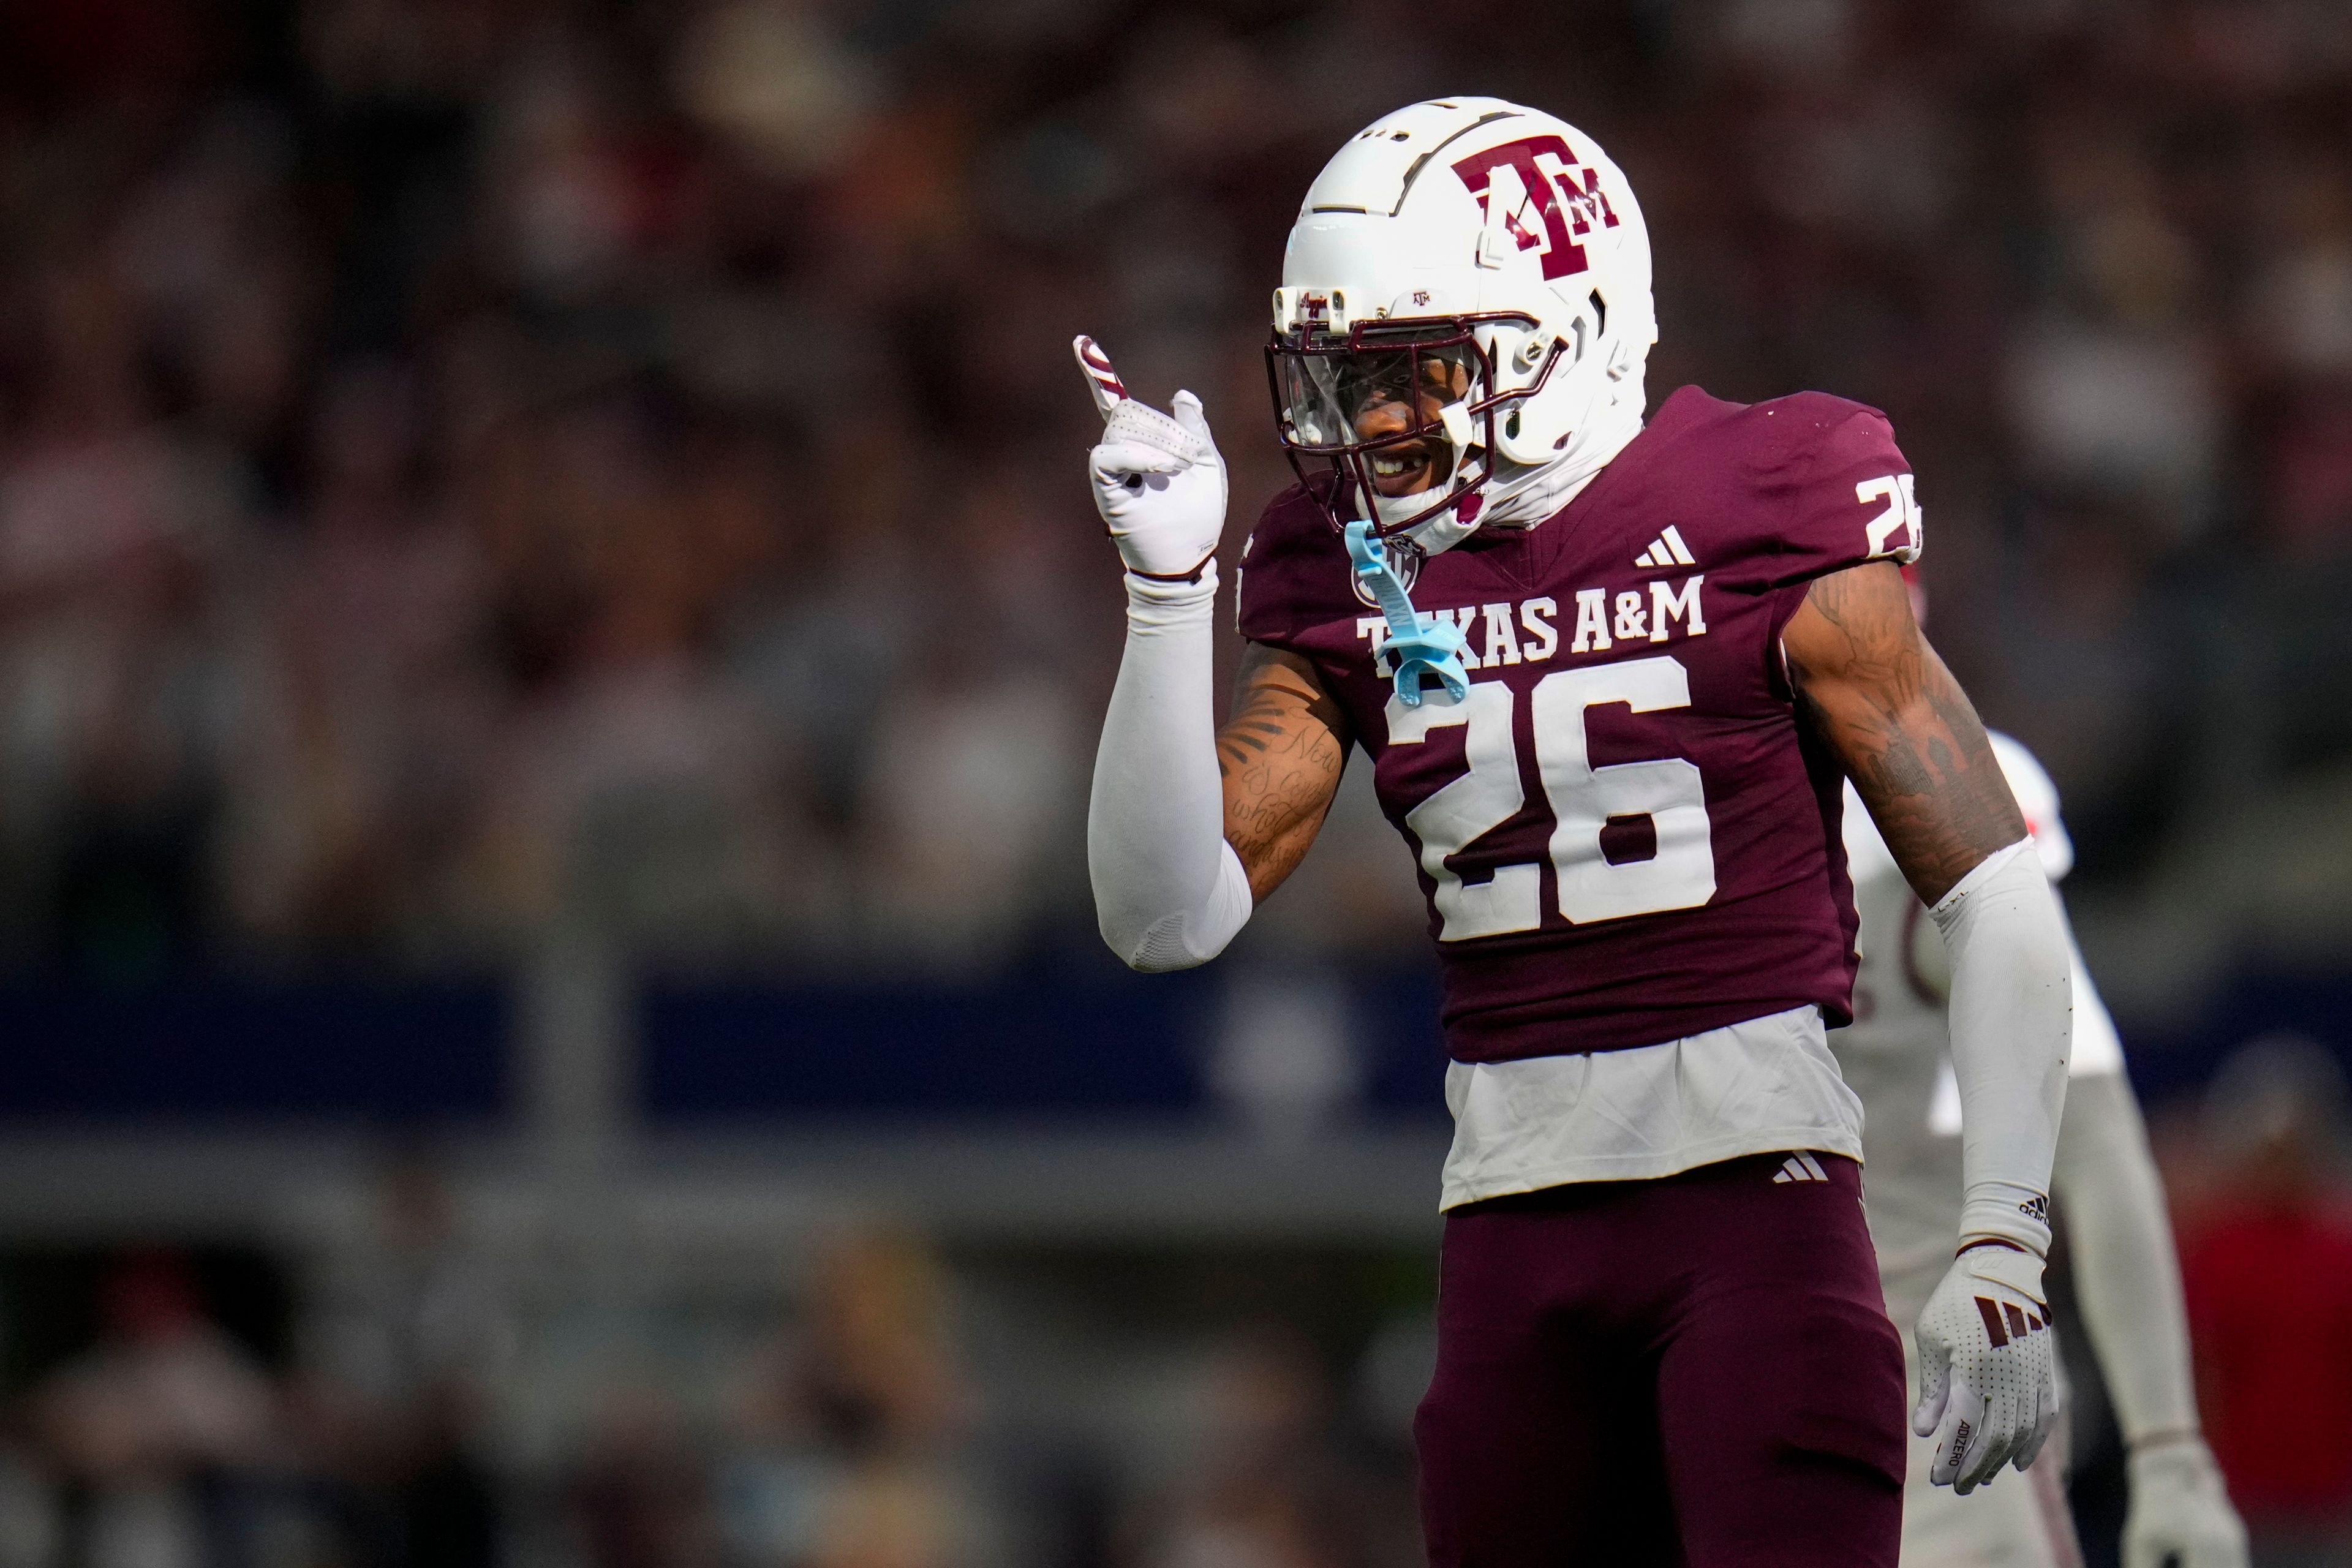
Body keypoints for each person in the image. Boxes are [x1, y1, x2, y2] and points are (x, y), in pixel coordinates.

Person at [1079, 97, 2073, 1567]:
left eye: (1412, 371)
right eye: (1347, 378)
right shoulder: (1342, 567)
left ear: (1570, 330)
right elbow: (1164, 914)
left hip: (1758, 1202)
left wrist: (2002, 1232)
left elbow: (1993, 888)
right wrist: (1166, 597)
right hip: (1505, 1221)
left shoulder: (1764, 497)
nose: (1373, 425)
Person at [1838, 706, 2247, 1568]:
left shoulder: (1930, 777)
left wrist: (2169, 1451)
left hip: (1922, 1390)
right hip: (1728, 1366)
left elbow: (2092, 1136)